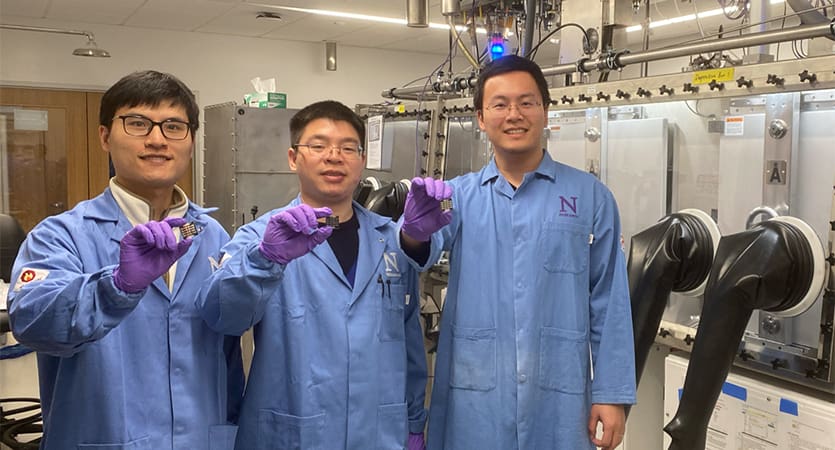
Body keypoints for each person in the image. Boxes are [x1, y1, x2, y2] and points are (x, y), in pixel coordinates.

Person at [399, 55, 636, 450]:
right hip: (474, 399)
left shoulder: (590, 197)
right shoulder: (459, 197)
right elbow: (421, 250)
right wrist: (413, 232)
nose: (514, 115)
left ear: (545, 110)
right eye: (500, 104)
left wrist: (611, 394)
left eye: (527, 102)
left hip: (558, 400)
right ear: (480, 117)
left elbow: (610, 301)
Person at [8, 70, 244, 450]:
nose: (156, 139)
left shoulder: (211, 235)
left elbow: (228, 352)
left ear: (191, 140)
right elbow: (32, 322)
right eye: (137, 123)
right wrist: (116, 286)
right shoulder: (61, 235)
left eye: (173, 126)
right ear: (105, 136)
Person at [195, 100, 428, 450]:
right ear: (293, 158)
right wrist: (265, 260)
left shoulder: (390, 241)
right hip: (293, 432)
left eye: (348, 147)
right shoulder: (260, 238)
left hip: (378, 432)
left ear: (362, 160)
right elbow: (221, 316)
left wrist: (413, 421)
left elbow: (410, 338)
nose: (334, 156)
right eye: (318, 146)